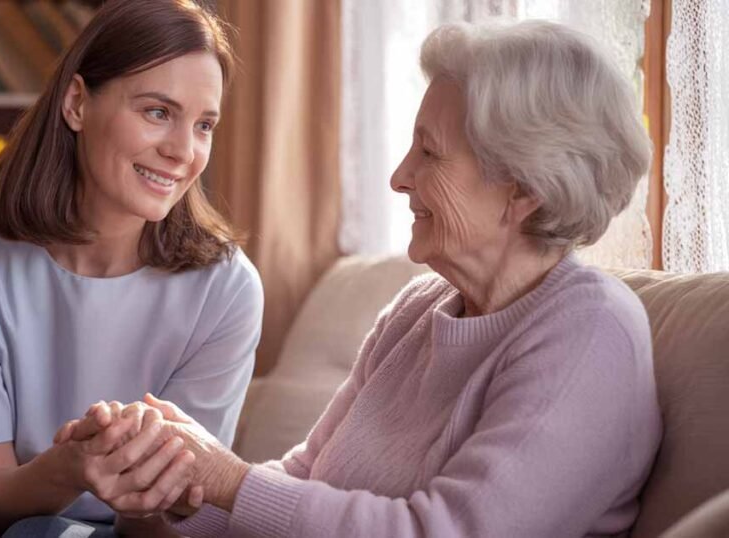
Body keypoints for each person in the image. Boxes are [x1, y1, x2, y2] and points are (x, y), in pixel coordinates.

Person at [64, 19, 662, 537]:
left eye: (429, 153)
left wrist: (224, 476)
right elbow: (300, 483)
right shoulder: (419, 308)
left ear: (523, 191)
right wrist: (168, 483)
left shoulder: (589, 333)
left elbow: (448, 532)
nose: (400, 177)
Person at [0, 1, 262, 537]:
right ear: (77, 103)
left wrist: (139, 488)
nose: (183, 151)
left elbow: (173, 521)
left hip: (132, 535)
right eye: (157, 112)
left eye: (204, 125)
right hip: (1, 519)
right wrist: (71, 466)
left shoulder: (226, 287)